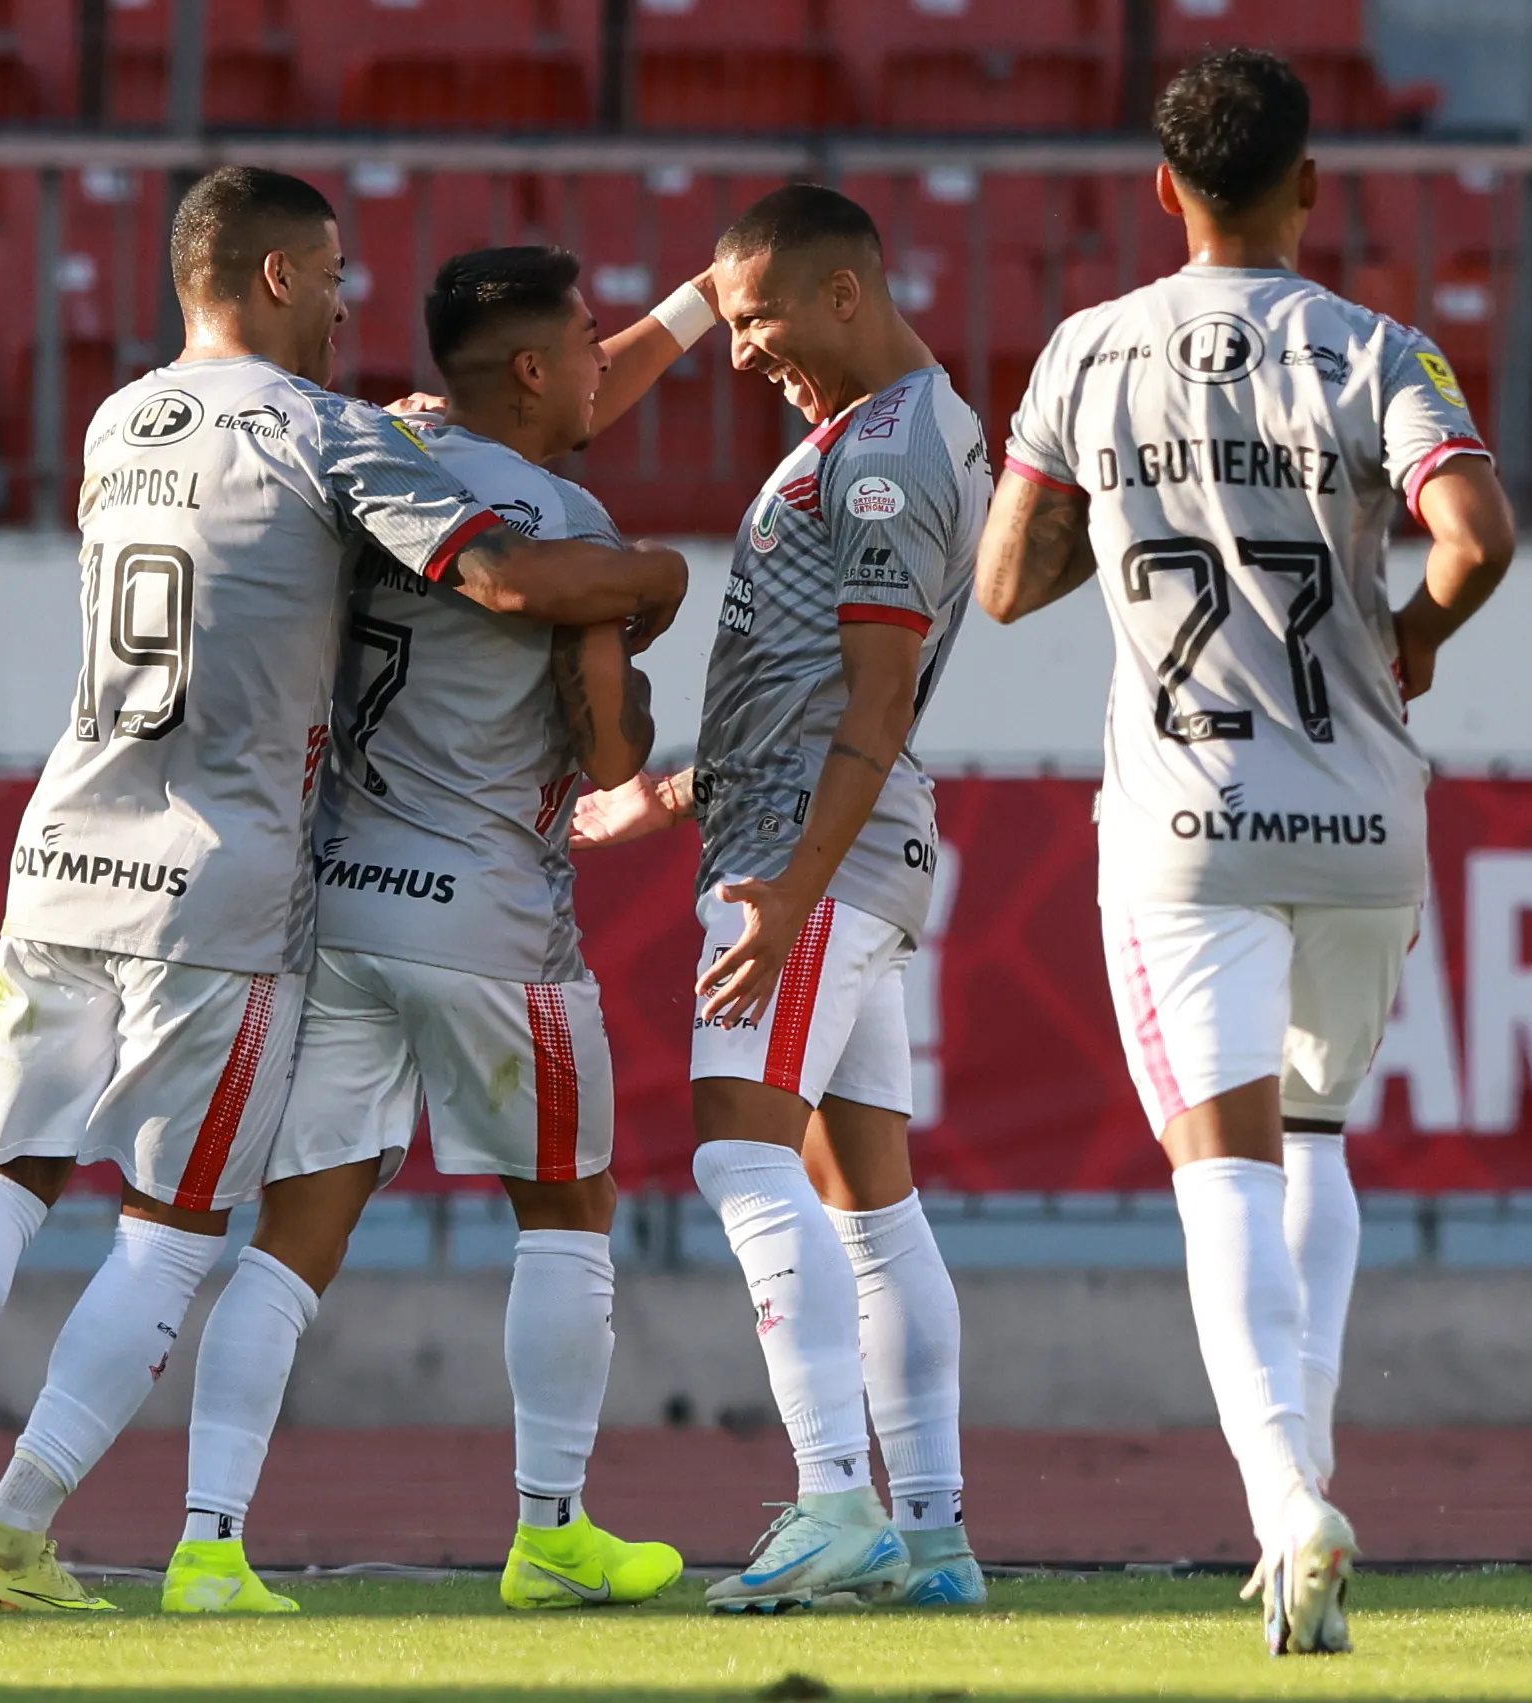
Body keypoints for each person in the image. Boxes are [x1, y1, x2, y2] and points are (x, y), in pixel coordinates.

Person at [0, 168, 691, 1616]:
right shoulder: (329, 436)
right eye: (334, 274)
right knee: (171, 1228)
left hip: (63, 852)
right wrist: (649, 569)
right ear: (278, 278)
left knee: (3, 1173)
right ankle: (17, 1531)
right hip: (223, 892)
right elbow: (513, 578)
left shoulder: (117, 422)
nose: (350, 303)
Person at [973, 49, 1514, 1654]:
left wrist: (1143, 508)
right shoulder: (1375, 349)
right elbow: (1476, 535)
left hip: (1184, 826)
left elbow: (1003, 582)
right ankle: (1301, 1527)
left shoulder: (1087, 349)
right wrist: (1410, 632)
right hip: (1358, 812)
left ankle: (1286, 1499)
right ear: (1309, 185)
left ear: (1159, 188)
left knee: (1218, 1169)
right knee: (1316, 1135)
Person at [157, 245, 693, 1616]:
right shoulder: (563, 517)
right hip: (489, 919)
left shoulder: (368, 467)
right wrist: (634, 613)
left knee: (293, 1230)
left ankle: (208, 1540)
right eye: (584, 342)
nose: (598, 364)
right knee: (566, 1202)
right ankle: (551, 1529)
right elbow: (606, 751)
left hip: (335, 898)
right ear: (529, 368)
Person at [573, 184, 992, 1612]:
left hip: (813, 859)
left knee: (736, 1154)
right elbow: (814, 700)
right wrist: (664, 798)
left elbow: (874, 699)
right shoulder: (886, 432)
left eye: (756, 320)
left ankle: (832, 1497)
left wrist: (784, 893)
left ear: (844, 293)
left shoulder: (876, 458)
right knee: (867, 1202)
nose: (745, 353)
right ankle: (930, 1533)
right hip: (823, 842)